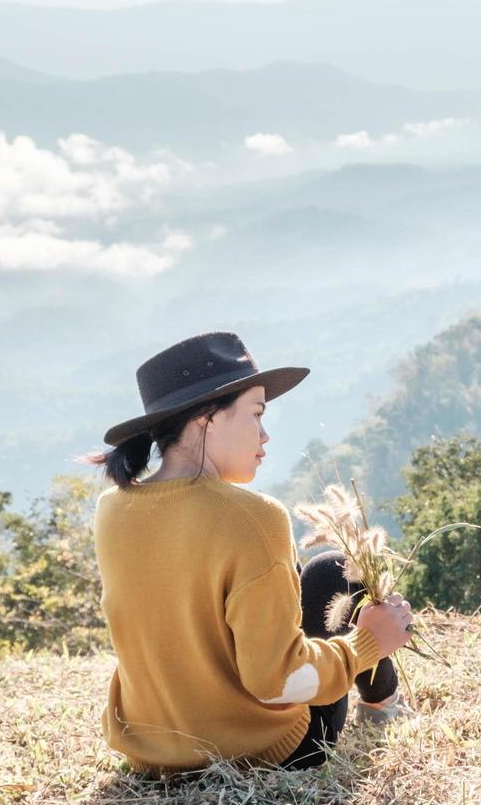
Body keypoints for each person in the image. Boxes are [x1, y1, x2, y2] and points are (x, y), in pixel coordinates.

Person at [85, 331, 416, 777]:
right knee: (339, 570)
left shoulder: (113, 509)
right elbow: (278, 680)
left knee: (318, 571)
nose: (265, 434)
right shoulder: (253, 516)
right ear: (206, 419)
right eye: (256, 415)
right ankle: (384, 704)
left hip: (151, 751)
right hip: (259, 753)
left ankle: (382, 702)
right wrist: (369, 643)